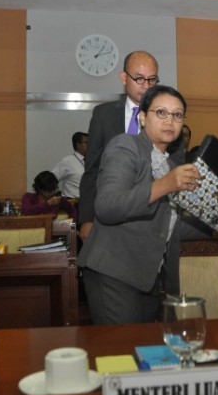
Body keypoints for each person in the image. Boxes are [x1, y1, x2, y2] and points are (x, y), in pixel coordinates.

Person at [78, 85, 200, 325]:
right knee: (120, 347)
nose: (170, 121)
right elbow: (107, 206)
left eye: (177, 115)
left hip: (149, 278)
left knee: (145, 346)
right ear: (142, 117)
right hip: (113, 272)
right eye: (161, 112)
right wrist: (164, 185)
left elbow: (169, 226)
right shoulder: (126, 146)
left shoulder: (170, 165)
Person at [78, 51, 184, 241]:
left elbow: (176, 171)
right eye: (139, 79)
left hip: (154, 219)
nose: (146, 86)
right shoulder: (104, 115)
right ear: (124, 77)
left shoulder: (169, 122)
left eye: (152, 80)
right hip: (109, 215)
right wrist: (86, 218)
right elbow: (92, 169)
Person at [51, 132, 88, 199]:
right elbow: (50, 180)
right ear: (78, 145)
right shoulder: (67, 161)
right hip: (73, 202)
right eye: (87, 142)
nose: (91, 145)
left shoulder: (93, 161)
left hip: (91, 201)